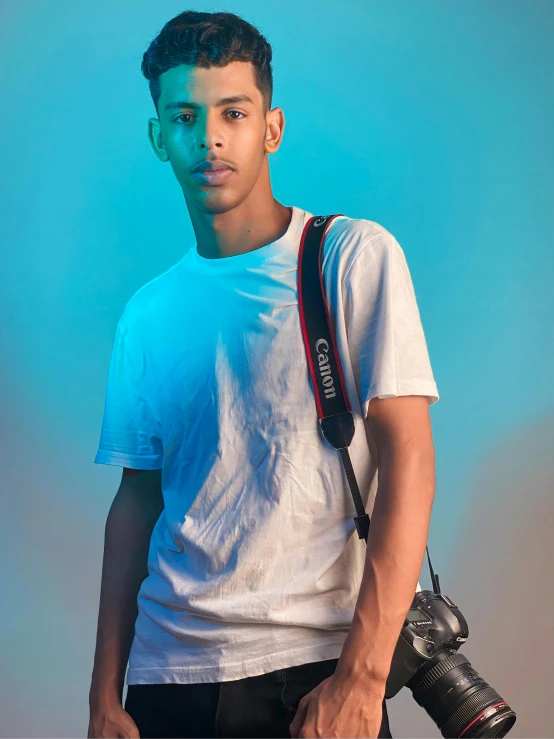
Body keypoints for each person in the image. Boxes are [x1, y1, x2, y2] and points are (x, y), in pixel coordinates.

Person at [87, 10, 439, 739]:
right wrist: (103, 694)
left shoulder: (349, 257)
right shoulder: (146, 315)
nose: (208, 137)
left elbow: (410, 458)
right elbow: (136, 501)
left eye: (233, 112)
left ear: (271, 128)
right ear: (158, 136)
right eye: (183, 116)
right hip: (164, 678)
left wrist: (363, 676)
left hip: (309, 670)